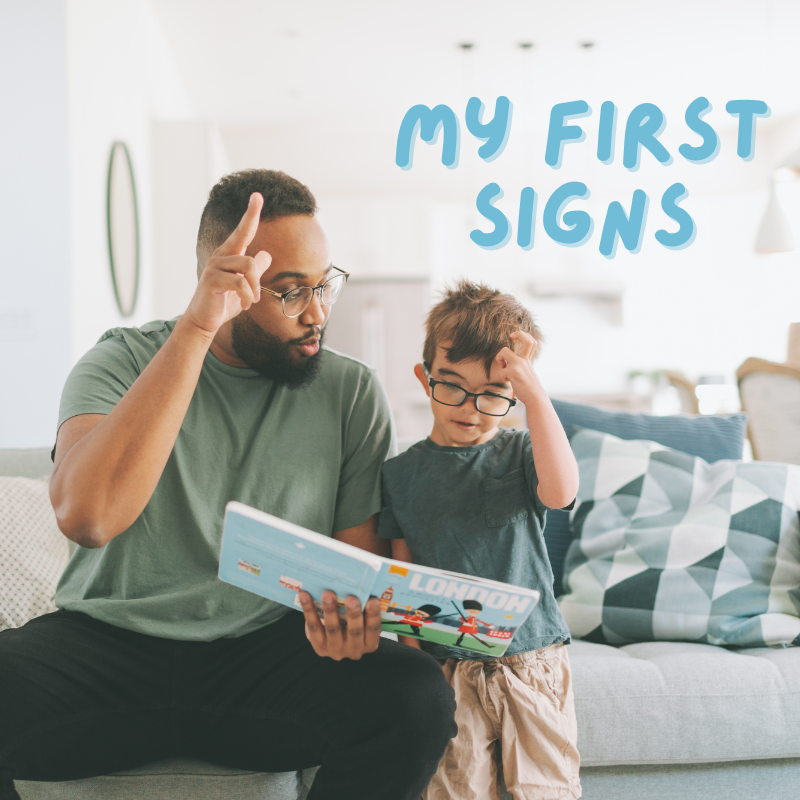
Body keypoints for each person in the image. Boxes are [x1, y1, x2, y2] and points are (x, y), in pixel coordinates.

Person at [0, 169, 455, 800]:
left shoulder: (349, 392)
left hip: (265, 656)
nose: (318, 312)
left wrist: (349, 621)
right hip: (107, 646)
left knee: (414, 696)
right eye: (290, 292)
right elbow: (88, 517)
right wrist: (195, 329)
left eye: (324, 285)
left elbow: (355, 568)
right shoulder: (119, 361)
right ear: (224, 284)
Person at [378, 281, 582, 800]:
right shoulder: (399, 475)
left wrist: (533, 392)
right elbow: (403, 578)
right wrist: (418, 668)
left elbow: (561, 493)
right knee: (455, 791)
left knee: (546, 789)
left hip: (531, 662)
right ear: (425, 380)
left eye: (492, 394)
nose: (470, 408)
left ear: (513, 395)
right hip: (449, 668)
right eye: (452, 386)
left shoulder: (517, 452)